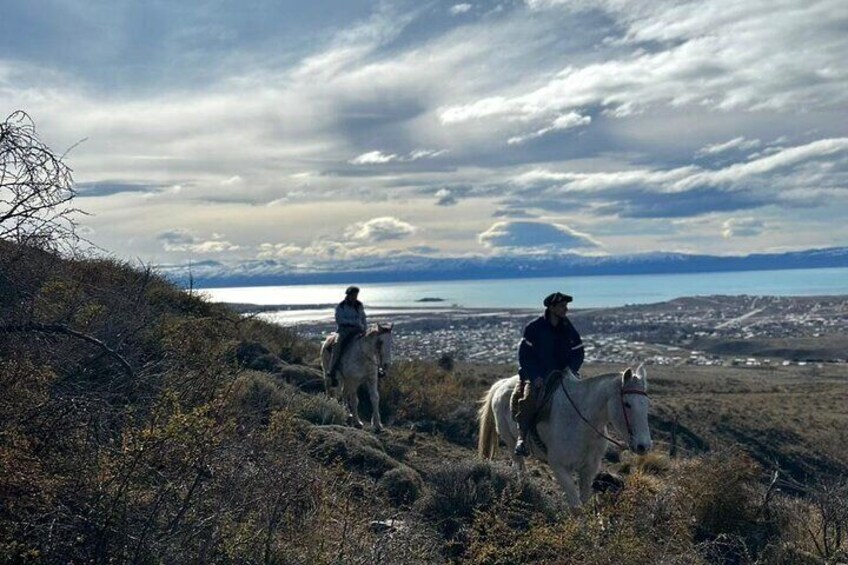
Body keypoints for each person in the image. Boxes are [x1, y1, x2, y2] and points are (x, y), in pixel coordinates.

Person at [513, 291, 584, 456]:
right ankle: (522, 439)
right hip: (538, 377)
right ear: (551, 308)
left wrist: (571, 371)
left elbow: (579, 352)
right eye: (562, 306)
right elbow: (525, 356)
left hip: (563, 375)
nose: (565, 309)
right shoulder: (534, 327)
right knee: (529, 401)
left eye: (566, 306)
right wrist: (535, 375)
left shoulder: (568, 328)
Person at [327, 285, 368, 386]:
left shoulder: (359, 305)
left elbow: (363, 318)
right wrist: (353, 322)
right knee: (338, 345)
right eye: (353, 295)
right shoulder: (341, 306)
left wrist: (364, 329)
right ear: (348, 295)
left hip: (358, 330)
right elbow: (339, 319)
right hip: (344, 330)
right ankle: (332, 370)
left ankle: (375, 369)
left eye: (356, 295)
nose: (354, 297)